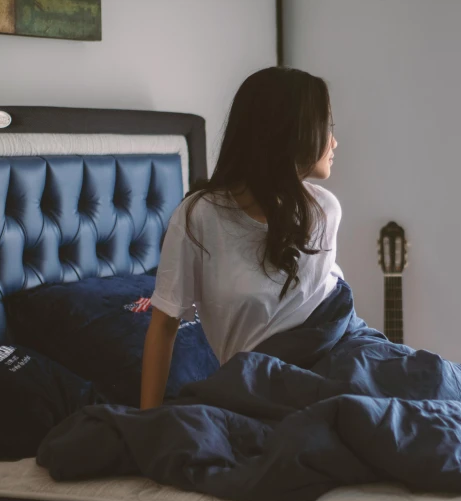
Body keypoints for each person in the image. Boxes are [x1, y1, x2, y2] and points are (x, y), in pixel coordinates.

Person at [140, 67, 341, 410]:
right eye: (328, 128)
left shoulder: (324, 209)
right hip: (258, 389)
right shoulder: (199, 217)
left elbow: (327, 312)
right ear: (292, 131)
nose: (334, 142)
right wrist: (146, 424)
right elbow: (163, 325)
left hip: (339, 362)